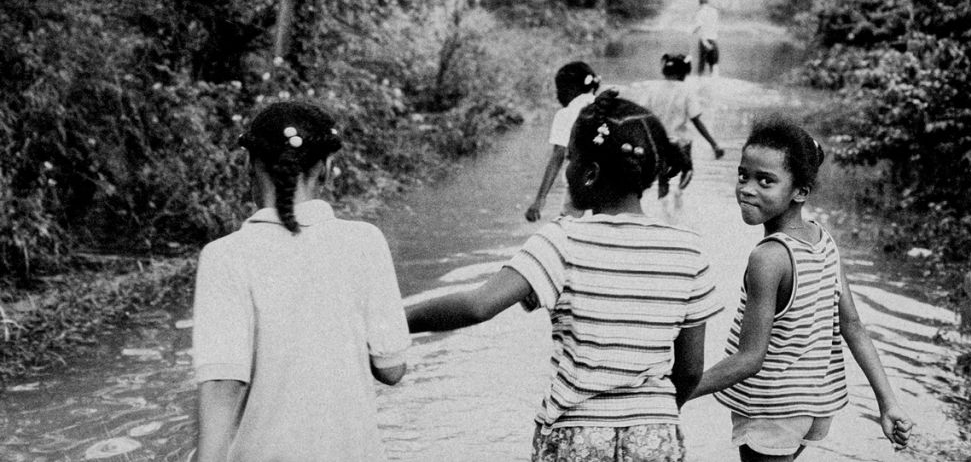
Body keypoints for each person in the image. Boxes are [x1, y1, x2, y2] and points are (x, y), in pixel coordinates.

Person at [407, 90, 722, 462]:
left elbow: (477, 306)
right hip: (655, 434)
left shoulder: (563, 239)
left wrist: (393, 320)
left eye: (571, 159)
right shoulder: (688, 249)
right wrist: (653, 415)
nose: (565, 170)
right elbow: (689, 370)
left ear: (589, 174)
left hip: (579, 432)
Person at [192, 100, 410, 462]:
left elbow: (221, 383)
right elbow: (391, 369)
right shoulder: (365, 242)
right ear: (327, 168)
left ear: (248, 164)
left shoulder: (225, 256)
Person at [686, 115, 914, 461]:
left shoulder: (768, 258)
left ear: (800, 192)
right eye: (743, 175)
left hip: (773, 408)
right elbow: (853, 325)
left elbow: (750, 358)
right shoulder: (823, 240)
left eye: (765, 181)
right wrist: (888, 402)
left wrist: (678, 390)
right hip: (814, 405)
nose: (747, 188)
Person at [621, 53, 725, 204]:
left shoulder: (653, 88)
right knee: (688, 170)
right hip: (680, 141)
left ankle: (662, 203)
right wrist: (714, 144)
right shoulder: (686, 90)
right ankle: (679, 191)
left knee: (663, 175)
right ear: (684, 72)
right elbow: (696, 120)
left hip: (658, 141)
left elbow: (640, 114)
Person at [525, 61, 601, 222]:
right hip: (611, 187)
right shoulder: (606, 107)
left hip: (579, 186)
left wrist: (540, 200)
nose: (557, 95)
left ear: (571, 89)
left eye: (559, 89)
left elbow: (558, 156)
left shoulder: (566, 114)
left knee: (569, 233)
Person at [691, 0, 720, 76]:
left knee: (702, 61)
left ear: (700, 3)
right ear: (707, 3)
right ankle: (714, 78)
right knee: (714, 61)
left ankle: (700, 79)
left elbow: (699, 25)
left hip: (704, 39)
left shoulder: (700, 12)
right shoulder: (714, 11)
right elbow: (715, 25)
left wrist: (693, 31)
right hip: (713, 39)